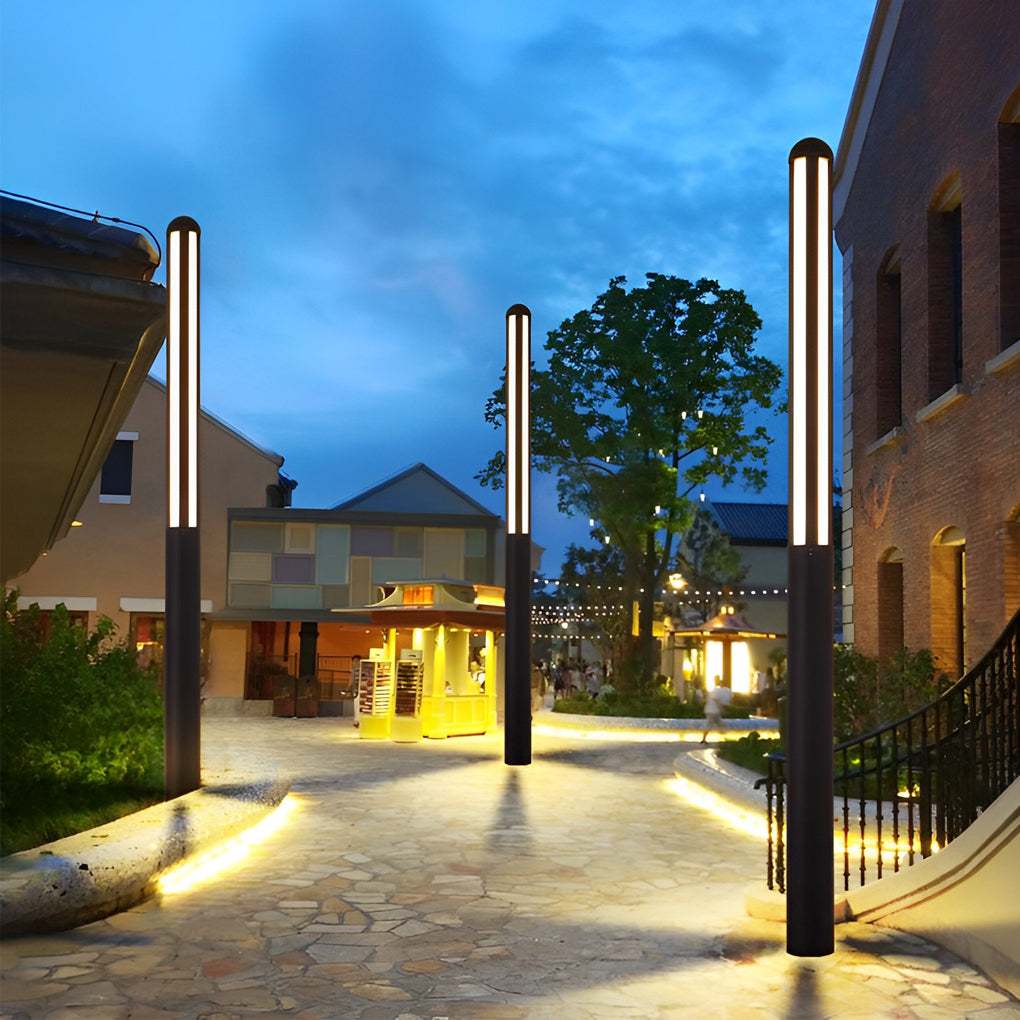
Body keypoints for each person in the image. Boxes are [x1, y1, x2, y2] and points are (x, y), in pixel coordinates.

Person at [701, 677, 732, 743]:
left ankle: (725, 738)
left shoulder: (716, 690)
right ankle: (703, 739)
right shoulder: (715, 691)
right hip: (711, 711)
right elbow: (716, 700)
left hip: (714, 711)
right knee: (710, 724)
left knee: (719, 723)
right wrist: (722, 709)